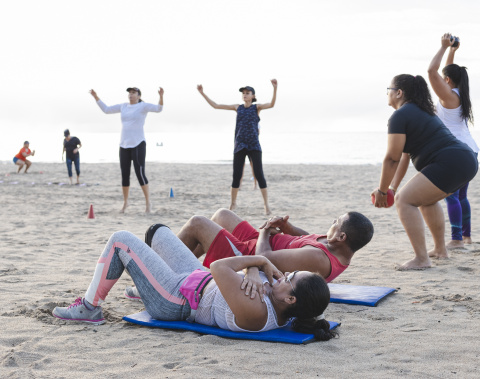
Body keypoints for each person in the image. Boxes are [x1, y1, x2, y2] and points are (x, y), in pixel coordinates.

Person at [52, 225, 336, 340]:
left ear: (291, 299)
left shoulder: (257, 313)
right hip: (195, 280)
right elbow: (246, 269)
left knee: (120, 240)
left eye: (289, 279)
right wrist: (254, 269)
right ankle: (146, 288)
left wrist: (258, 263)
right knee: (158, 232)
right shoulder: (279, 300)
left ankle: (89, 307)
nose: (283, 275)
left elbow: (218, 267)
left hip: (176, 299)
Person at [372, 74, 478, 271]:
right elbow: (404, 157)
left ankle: (421, 259)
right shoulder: (421, 111)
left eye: (389, 89)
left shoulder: (400, 116)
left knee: (404, 200)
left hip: (450, 161)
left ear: (399, 93)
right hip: (466, 161)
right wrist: (392, 187)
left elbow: (391, 158)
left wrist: (382, 191)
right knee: (425, 200)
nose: (387, 93)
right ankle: (440, 250)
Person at [175, 208, 374, 282]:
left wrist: (265, 231)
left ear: (341, 237)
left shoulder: (319, 260)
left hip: (249, 256)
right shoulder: (332, 245)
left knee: (197, 223)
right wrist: (288, 227)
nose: (332, 223)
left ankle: (165, 270)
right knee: (221, 215)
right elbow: (308, 239)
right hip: (261, 242)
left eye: (335, 223)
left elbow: (264, 259)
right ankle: (183, 270)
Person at [427, 33, 478, 250]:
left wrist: (441, 47)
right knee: (461, 196)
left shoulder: (448, 97)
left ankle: (456, 239)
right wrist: (452, 51)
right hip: (471, 150)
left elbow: (432, 72)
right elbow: (446, 73)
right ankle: (465, 237)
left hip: (456, 152)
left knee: (451, 196)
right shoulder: (459, 93)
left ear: (447, 81)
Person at [197, 81, 277, 215]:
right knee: (236, 176)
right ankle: (233, 203)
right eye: (243, 93)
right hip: (240, 145)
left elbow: (272, 104)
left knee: (259, 175)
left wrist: (275, 88)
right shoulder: (237, 107)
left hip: (254, 145)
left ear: (253, 95)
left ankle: (266, 205)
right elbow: (216, 106)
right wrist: (202, 93)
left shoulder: (257, 108)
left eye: (247, 93)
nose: (245, 95)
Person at [89, 87, 164, 213]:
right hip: (124, 145)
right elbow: (106, 110)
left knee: (140, 173)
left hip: (138, 143)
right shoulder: (123, 106)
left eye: (133, 93)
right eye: (129, 93)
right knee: (125, 175)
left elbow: (159, 108)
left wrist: (161, 96)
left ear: (139, 96)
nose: (130, 95)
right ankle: (125, 203)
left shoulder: (143, 106)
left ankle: (147, 203)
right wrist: (96, 96)